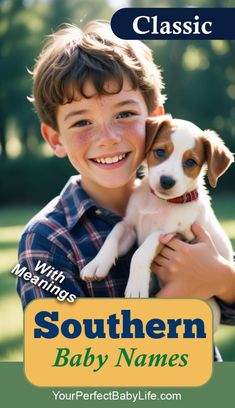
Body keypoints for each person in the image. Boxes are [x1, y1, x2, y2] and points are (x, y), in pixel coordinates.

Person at [17, 21, 235, 360]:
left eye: (124, 114)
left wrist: (223, 279)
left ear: (155, 120)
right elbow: (61, 361)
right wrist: (173, 299)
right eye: (82, 121)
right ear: (55, 139)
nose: (108, 137)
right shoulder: (46, 242)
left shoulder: (183, 206)